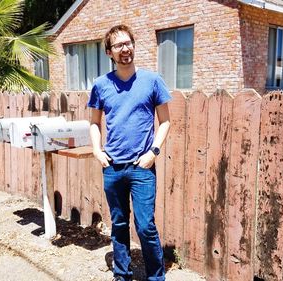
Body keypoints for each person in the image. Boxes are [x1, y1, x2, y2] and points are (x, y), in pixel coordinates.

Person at [88, 24, 171, 281]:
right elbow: (94, 122)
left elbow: (166, 121)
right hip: (113, 167)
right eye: (118, 45)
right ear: (110, 53)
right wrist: (96, 151)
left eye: (128, 43)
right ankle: (121, 275)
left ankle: (156, 277)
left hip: (141, 167)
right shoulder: (101, 85)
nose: (125, 49)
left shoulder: (152, 81)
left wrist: (154, 152)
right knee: (119, 225)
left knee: (145, 226)